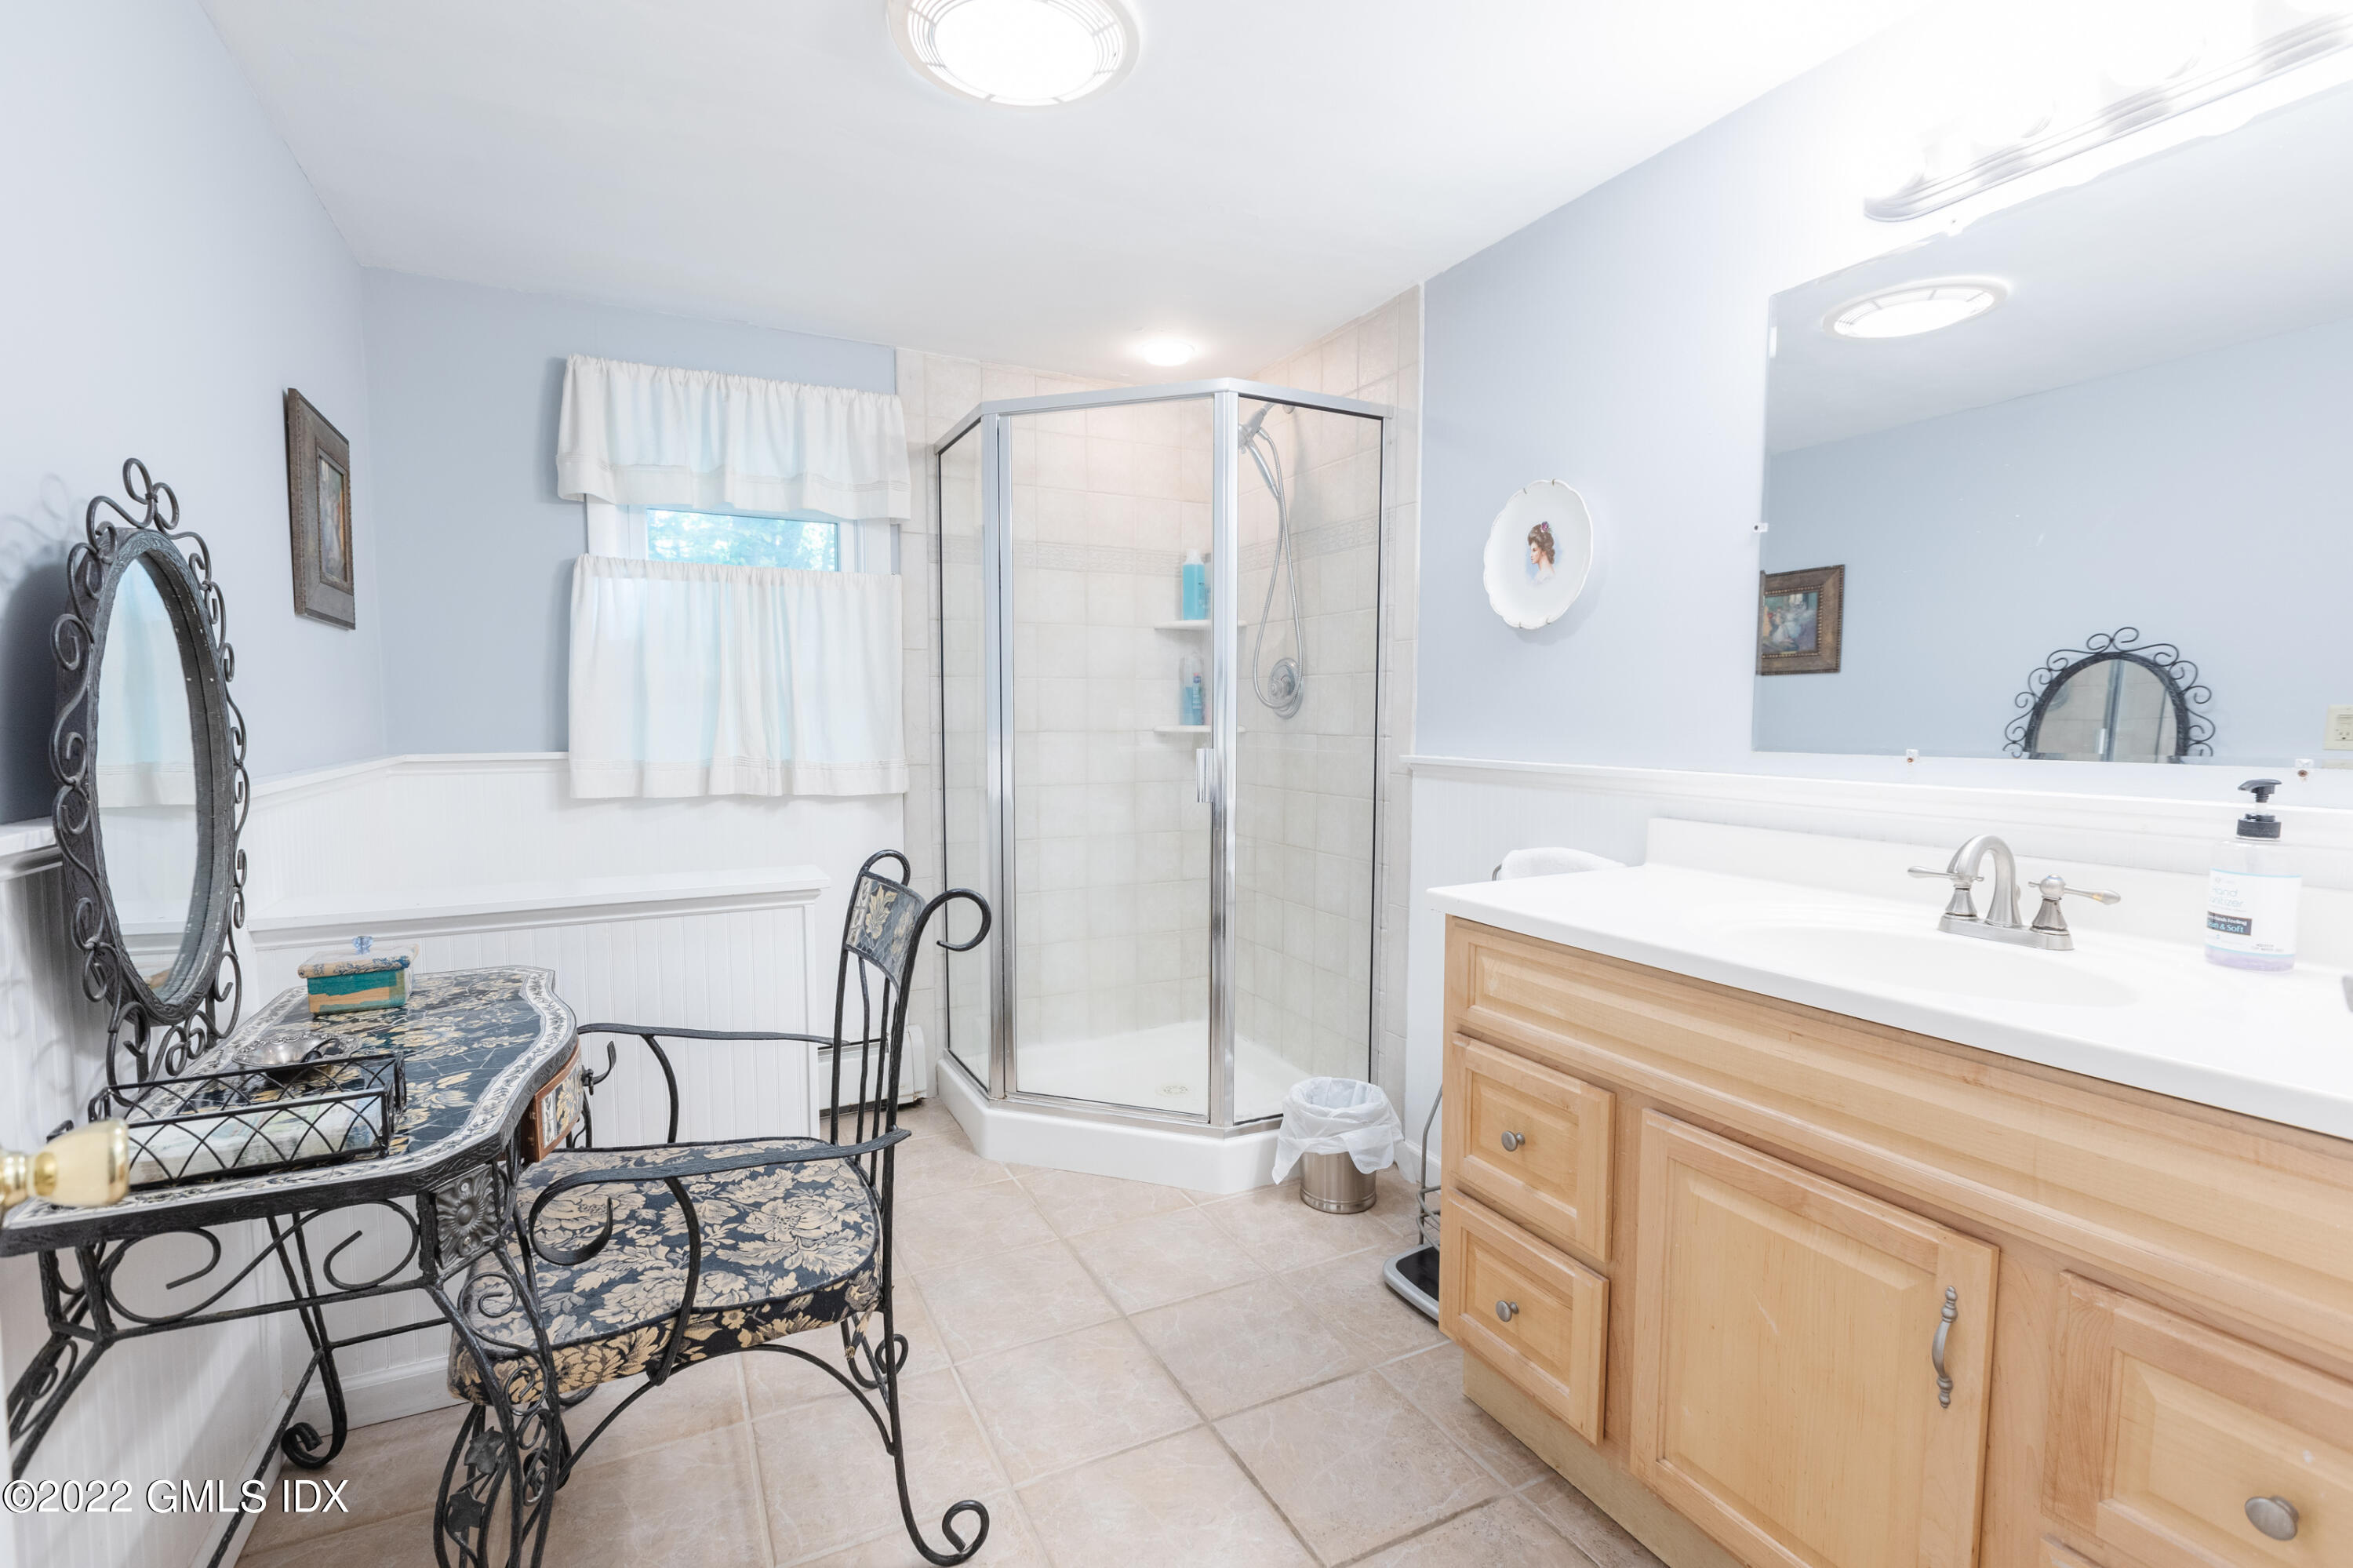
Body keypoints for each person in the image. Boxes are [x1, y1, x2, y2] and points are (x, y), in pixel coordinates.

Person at [1526, 520, 1556, 584]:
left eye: (1534, 550)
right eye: (1531, 551)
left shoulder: (1548, 578)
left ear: (1543, 551)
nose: (1531, 555)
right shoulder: (1540, 575)